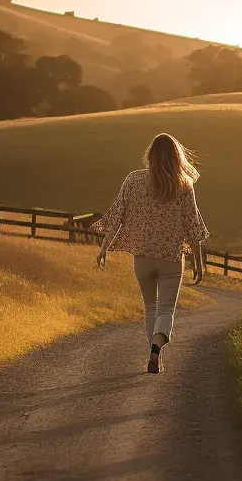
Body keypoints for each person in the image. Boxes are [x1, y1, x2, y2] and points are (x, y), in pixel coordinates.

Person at [91, 133, 209, 373]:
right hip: (171, 259)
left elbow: (117, 216)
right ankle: (157, 350)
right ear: (177, 157)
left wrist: (104, 249)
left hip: (142, 258)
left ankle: (154, 355)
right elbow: (193, 225)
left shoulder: (133, 180)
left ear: (151, 155)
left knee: (150, 309)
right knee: (166, 310)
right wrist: (198, 263)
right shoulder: (184, 184)